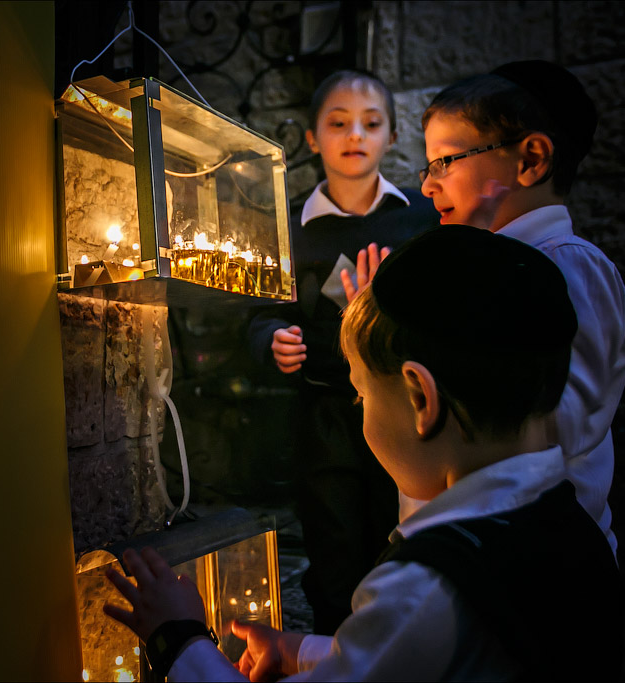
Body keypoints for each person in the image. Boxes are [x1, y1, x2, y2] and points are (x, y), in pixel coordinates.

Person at [104, 225, 623, 681]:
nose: (361, 409)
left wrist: (181, 638)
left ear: (420, 400)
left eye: (361, 394)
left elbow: (414, 624)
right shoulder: (569, 525)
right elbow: (416, 654)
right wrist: (300, 651)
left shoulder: (430, 582)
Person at [415, 60, 625, 554]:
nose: (428, 185)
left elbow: (556, 426)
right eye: (427, 167)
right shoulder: (487, 265)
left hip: (542, 557)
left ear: (531, 159)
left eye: (445, 161)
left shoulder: (569, 266)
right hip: (479, 546)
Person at [247, 69, 438, 633]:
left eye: (371, 123)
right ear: (312, 137)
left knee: (399, 536)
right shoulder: (290, 228)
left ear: (393, 137)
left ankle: (398, 648)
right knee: (333, 544)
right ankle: (333, 649)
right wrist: (271, 339)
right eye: (338, 123)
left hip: (406, 411)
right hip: (325, 411)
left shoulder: (420, 219)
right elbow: (262, 311)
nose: (355, 135)